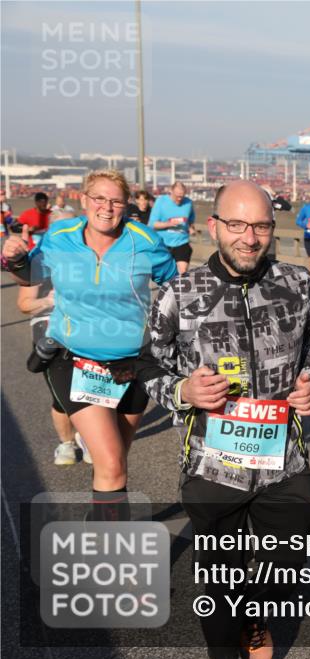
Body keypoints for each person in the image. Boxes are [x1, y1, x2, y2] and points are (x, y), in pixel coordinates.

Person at [138, 180, 310, 659]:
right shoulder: (179, 293)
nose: (249, 237)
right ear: (214, 226)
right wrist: (183, 392)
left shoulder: (298, 283)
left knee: (287, 556)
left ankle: (254, 613)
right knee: (219, 581)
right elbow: (147, 365)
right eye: (237, 224)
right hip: (212, 465)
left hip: (282, 461)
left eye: (261, 225)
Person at [1, 169, 177, 520]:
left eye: (116, 201)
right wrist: (16, 259)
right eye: (99, 198)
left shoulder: (143, 240)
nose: (107, 207)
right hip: (74, 361)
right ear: (84, 200)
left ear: (126, 205)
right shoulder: (60, 236)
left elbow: (177, 287)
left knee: (115, 463)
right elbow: (30, 277)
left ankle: (99, 521)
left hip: (134, 364)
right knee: (110, 461)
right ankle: (110, 557)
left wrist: (171, 334)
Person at [16, 210, 91, 466]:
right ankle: (66, 443)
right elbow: (24, 304)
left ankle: (88, 436)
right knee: (61, 395)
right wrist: (47, 301)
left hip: (87, 331)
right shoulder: (39, 260)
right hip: (50, 332)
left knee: (89, 389)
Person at [149, 181, 197, 274]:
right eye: (177, 196)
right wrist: (168, 224)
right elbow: (152, 224)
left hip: (181, 242)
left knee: (182, 273)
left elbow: (190, 221)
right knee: (165, 274)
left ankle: (179, 286)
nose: (179, 198)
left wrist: (191, 228)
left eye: (182, 196)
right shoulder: (161, 201)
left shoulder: (188, 203)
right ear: (171, 191)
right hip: (163, 243)